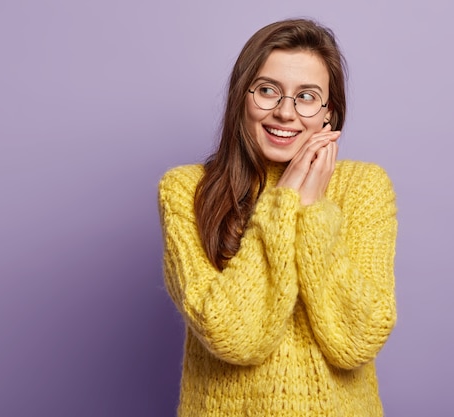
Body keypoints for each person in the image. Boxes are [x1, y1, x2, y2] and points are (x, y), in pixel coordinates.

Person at [158, 18, 397, 416]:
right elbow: (233, 335)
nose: (285, 112)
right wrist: (284, 202)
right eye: (268, 91)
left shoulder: (364, 187)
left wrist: (314, 212)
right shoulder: (186, 190)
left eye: (306, 97)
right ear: (242, 98)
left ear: (329, 114)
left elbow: (356, 341)